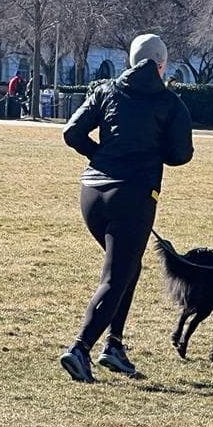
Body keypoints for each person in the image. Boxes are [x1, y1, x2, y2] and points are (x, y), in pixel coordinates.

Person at [59, 33, 193, 383]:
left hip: (91, 193)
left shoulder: (106, 90)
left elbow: (71, 133)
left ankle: (114, 346)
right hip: (132, 195)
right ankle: (81, 348)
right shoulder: (169, 102)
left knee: (128, 267)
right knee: (116, 276)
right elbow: (182, 155)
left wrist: (100, 155)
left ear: (130, 61)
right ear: (162, 65)